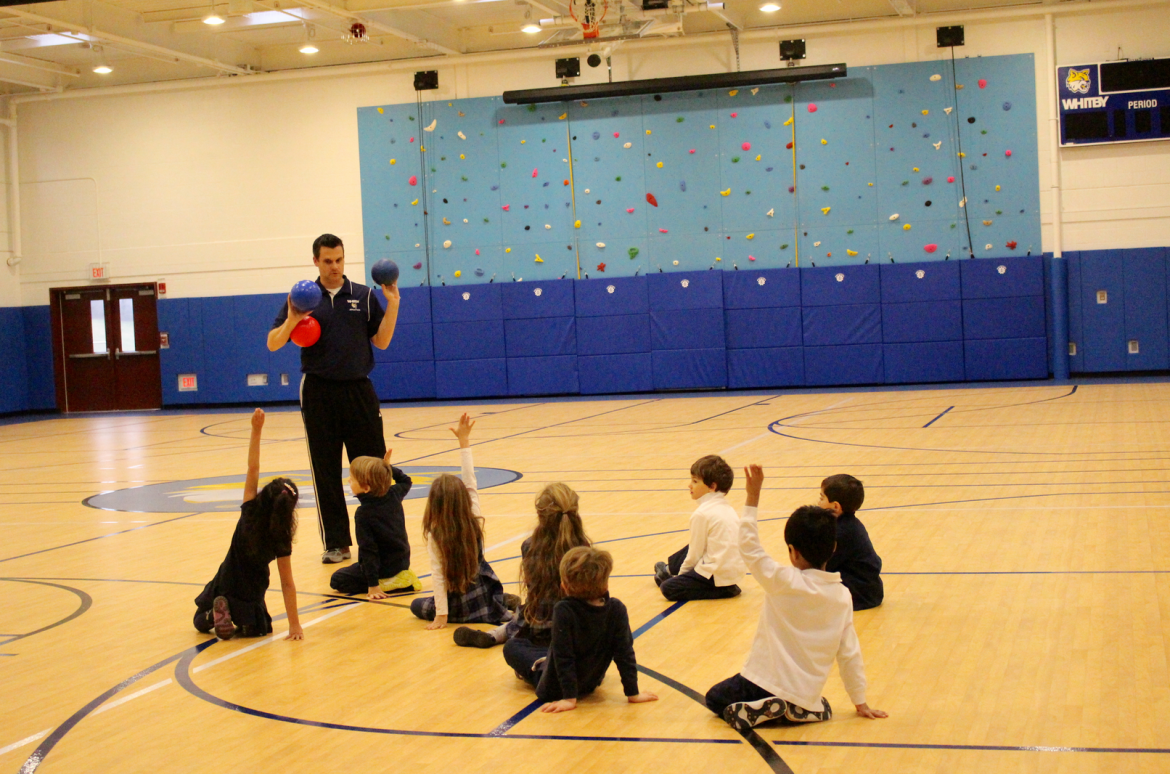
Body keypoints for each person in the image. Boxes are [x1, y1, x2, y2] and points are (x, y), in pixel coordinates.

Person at [705, 465, 886, 731]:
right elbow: (849, 653)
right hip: (807, 691)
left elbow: (748, 546)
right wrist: (860, 701)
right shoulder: (842, 595)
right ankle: (804, 707)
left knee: (715, 698)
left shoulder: (782, 581)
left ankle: (772, 709)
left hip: (762, 681)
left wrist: (752, 495)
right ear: (833, 548)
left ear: (792, 551)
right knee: (816, 699)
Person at [267, 233, 401, 565]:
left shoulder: (364, 295)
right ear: (316, 261)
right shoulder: (301, 298)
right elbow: (272, 343)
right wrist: (293, 320)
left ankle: (384, 538)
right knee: (325, 470)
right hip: (318, 391)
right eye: (327, 261)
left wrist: (393, 304)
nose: (334, 267)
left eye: (339, 260)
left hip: (358, 389)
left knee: (373, 469)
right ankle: (337, 543)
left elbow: (381, 342)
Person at [193, 409, 303, 641]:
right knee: (258, 628)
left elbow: (252, 468)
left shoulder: (250, 510)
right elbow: (287, 584)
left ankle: (213, 616)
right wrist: (295, 626)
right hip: (252, 591)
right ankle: (240, 617)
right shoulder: (280, 537)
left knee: (198, 622)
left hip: (226, 577)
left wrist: (256, 430)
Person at [509, 546, 658, 713]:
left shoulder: (564, 609)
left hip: (554, 687)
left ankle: (539, 664)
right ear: (605, 584)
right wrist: (633, 693)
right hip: (592, 681)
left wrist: (569, 699)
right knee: (546, 650)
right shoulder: (616, 608)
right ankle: (542, 660)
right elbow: (625, 653)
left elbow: (563, 655)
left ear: (564, 585)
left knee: (513, 646)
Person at [409, 413, 514, 628]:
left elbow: (438, 575)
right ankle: (499, 602)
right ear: (463, 498)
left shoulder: (435, 534)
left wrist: (442, 615)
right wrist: (464, 442)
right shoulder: (472, 516)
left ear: (434, 504)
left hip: (457, 602)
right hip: (483, 592)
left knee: (416, 605)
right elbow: (470, 481)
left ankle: (495, 605)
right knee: (490, 599)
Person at [456, 483, 590, 649]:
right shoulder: (585, 550)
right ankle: (541, 662)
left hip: (541, 627)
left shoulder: (530, 546)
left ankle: (495, 636)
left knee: (514, 647)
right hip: (576, 631)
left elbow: (534, 598)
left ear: (540, 516)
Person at [328, 450, 421, 600]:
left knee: (337, 579)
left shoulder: (364, 513)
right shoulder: (393, 494)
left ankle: (387, 583)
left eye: (352, 479)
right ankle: (399, 577)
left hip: (381, 568)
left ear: (366, 488)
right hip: (401, 563)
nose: (348, 481)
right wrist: (388, 468)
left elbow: (368, 551)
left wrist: (372, 584)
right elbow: (406, 480)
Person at [652, 454, 745, 601]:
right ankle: (669, 569)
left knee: (668, 588)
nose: (690, 485)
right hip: (732, 571)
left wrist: (680, 578)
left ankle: (724, 590)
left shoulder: (702, 514)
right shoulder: (727, 507)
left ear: (712, 487)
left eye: (695, 481)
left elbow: (694, 555)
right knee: (695, 544)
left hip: (715, 575)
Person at [820, 474, 884, 610]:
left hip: (861, 594)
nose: (818, 503)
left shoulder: (842, 532)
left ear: (836, 506)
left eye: (822, 498)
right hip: (869, 589)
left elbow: (823, 567)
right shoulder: (848, 524)